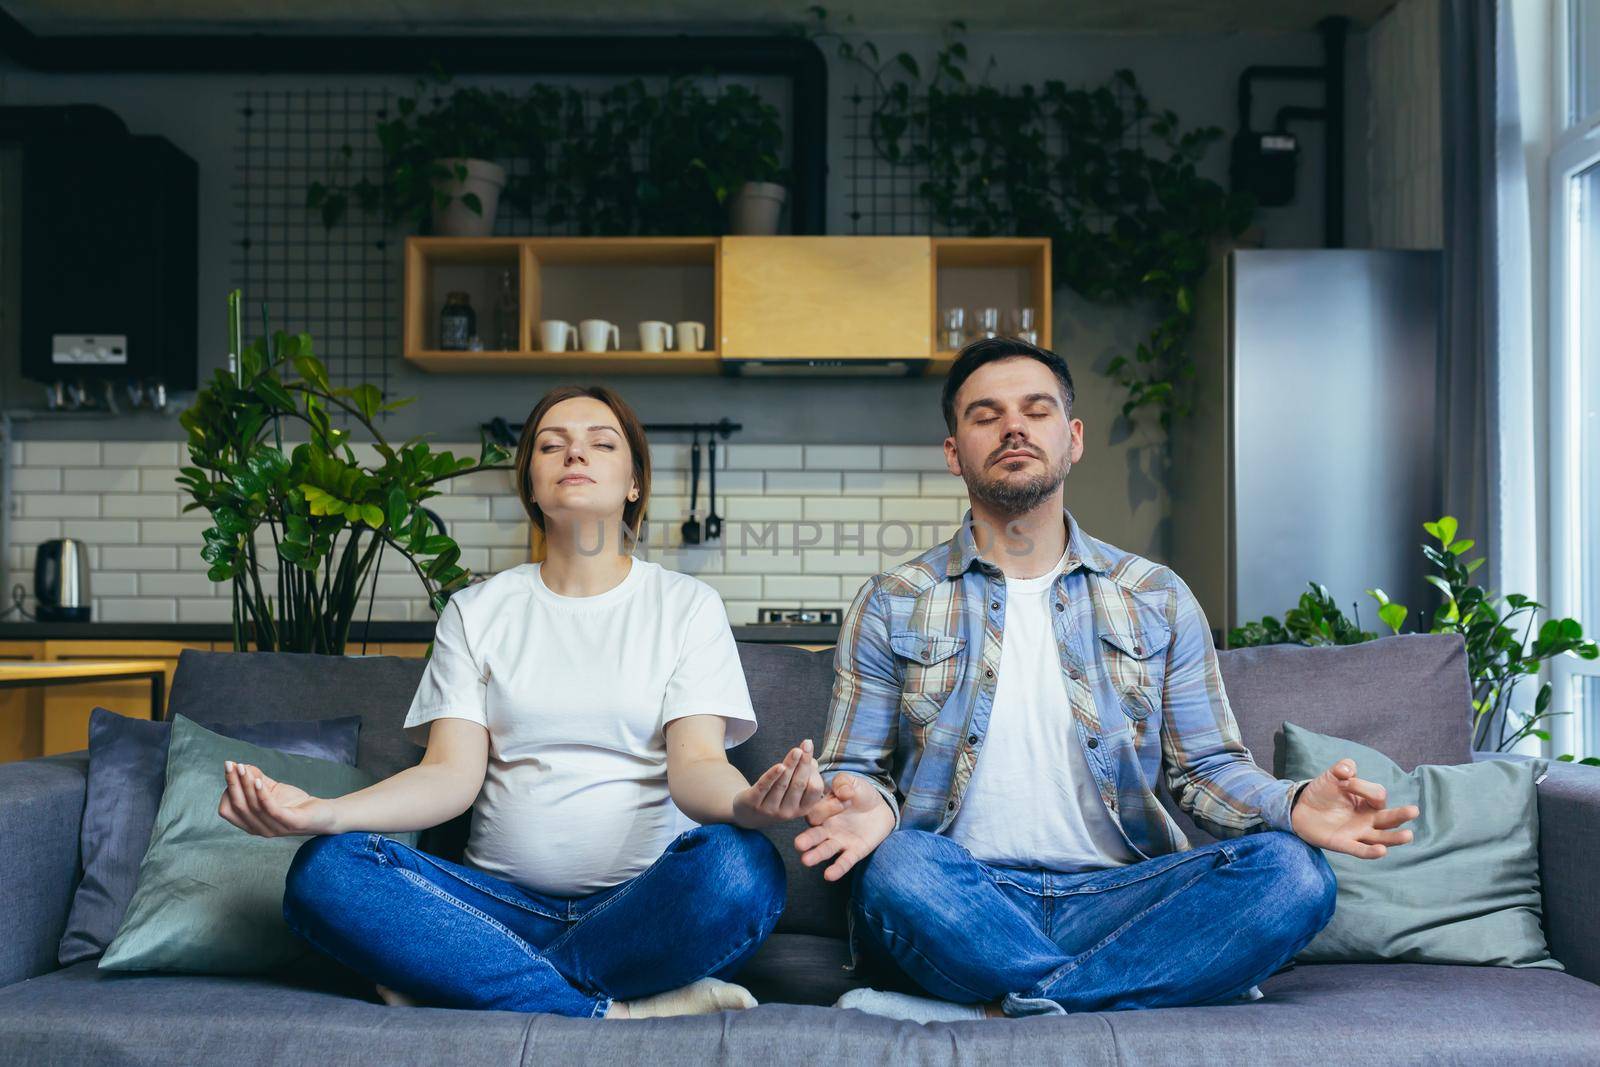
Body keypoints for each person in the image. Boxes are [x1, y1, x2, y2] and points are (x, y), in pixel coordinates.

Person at [795, 336, 1423, 1022]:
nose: (1013, 427)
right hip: (962, 896)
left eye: (1035, 410)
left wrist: (1292, 803)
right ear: (954, 451)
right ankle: (1138, 985)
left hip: (1125, 896)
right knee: (898, 869)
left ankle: (1015, 1004)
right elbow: (852, 771)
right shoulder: (892, 600)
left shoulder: (1154, 594)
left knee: (1293, 873)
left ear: (1073, 438)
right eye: (985, 415)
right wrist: (867, 806)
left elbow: (1206, 767)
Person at [218, 385, 824, 1019]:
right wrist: (324, 812)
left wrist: (744, 804)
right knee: (327, 871)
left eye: (600, 442)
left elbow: (696, 764)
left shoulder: (685, 606)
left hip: (644, 911)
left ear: (634, 483)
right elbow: (449, 775)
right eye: (551, 445)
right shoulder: (477, 611)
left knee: (743, 869)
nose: (574, 454)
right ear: (531, 487)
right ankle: (614, 1008)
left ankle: (464, 979)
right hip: (493, 909)